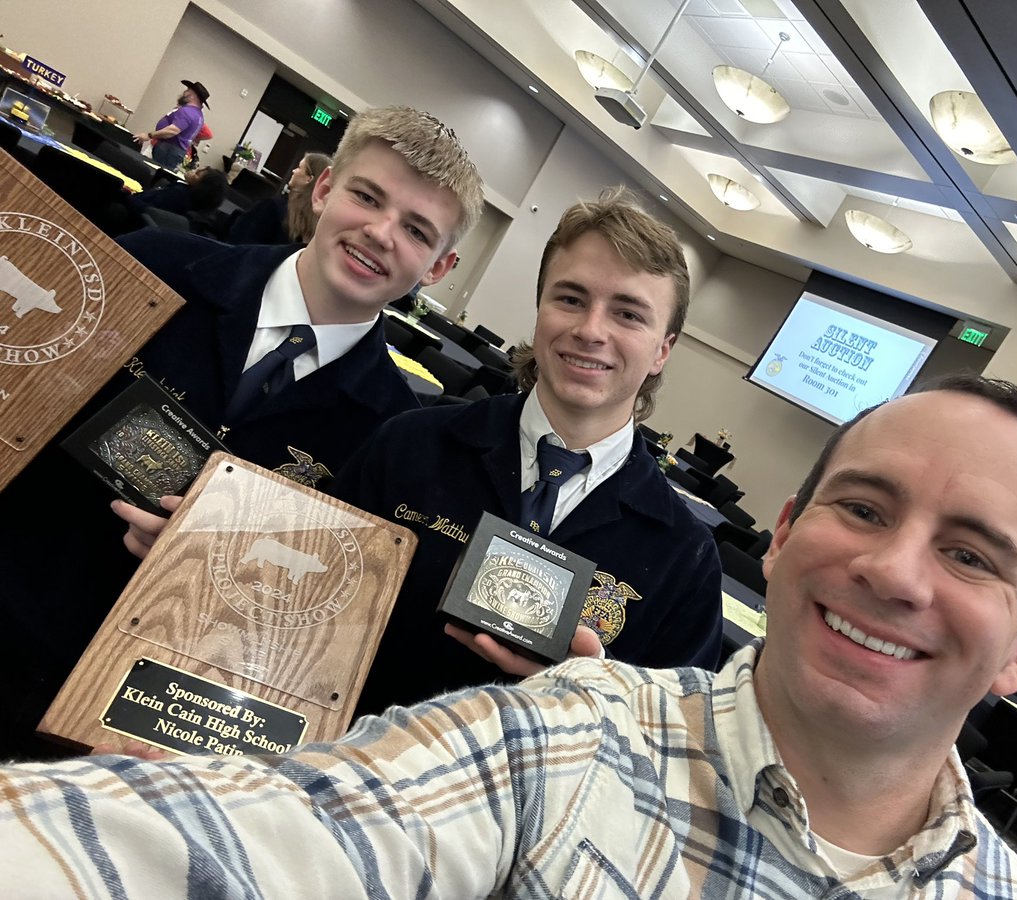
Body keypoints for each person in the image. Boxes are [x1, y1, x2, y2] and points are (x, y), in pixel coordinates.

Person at [0, 374, 1017, 898]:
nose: (893, 571)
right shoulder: (570, 735)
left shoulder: (678, 557)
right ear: (788, 536)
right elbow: (258, 839)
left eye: (972, 554)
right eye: (865, 509)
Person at [0, 105, 485, 761]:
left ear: (438, 267)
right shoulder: (156, 270)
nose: (379, 232)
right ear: (322, 189)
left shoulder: (396, 442)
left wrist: (209, 570)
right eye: (366, 196)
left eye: (416, 229)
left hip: (128, 736)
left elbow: (308, 630)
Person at [331, 186, 725, 712]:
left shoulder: (686, 558)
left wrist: (590, 693)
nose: (590, 330)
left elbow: (670, 751)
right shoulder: (409, 444)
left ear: (662, 350)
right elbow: (309, 604)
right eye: (571, 299)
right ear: (540, 310)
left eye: (629, 314)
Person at [227, 151, 333, 245]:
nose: (294, 171)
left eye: (299, 168)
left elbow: (238, 241)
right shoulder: (317, 231)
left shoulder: (272, 208)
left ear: (308, 179)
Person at [133, 79, 209, 170]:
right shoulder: (198, 115)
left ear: (192, 95)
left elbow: (172, 131)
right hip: (174, 150)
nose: (184, 92)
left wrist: (149, 135)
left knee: (151, 172)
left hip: (169, 150)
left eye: (187, 90)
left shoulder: (188, 111)